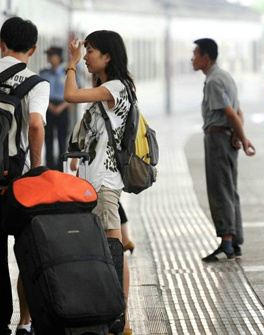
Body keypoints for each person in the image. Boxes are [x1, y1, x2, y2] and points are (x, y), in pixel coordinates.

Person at [64, 30, 134, 335]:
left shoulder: (116, 88)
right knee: (103, 249)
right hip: (92, 183)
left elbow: (69, 96)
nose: (86, 56)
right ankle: (113, 314)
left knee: (113, 249)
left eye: (91, 51)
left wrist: (71, 64)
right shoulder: (106, 87)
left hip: (105, 184)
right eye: (85, 51)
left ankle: (123, 318)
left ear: (107, 55)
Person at [0, 17, 49, 335]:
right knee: (26, 245)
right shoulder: (37, 83)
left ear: (1, 43)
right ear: (33, 49)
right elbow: (35, 125)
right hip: (14, 178)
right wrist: (37, 169)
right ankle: (26, 320)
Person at [191, 38, 256, 262]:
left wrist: (244, 137)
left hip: (218, 137)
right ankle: (234, 241)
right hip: (226, 136)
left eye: (195, 54)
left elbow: (229, 112)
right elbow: (239, 111)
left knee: (220, 189)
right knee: (230, 188)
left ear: (205, 58)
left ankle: (227, 242)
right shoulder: (224, 76)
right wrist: (238, 134)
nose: (192, 58)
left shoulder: (214, 81)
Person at [40, 46, 71, 170]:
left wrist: (61, 107)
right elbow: (40, 92)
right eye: (49, 56)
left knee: (62, 139)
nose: (51, 59)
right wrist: (50, 106)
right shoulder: (43, 73)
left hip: (63, 107)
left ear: (59, 58)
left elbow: (73, 92)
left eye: (53, 56)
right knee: (48, 139)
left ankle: (61, 167)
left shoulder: (67, 73)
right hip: (48, 107)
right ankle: (49, 167)